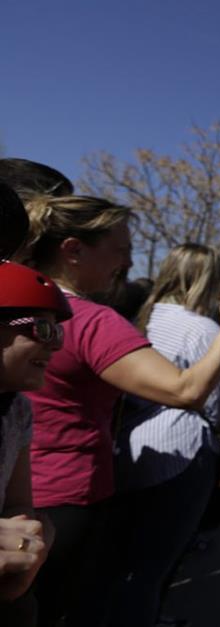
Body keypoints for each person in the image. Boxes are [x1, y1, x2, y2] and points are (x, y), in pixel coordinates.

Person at [16, 194, 220, 627]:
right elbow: (187, 390)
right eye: (120, 249)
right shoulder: (90, 321)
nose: (126, 263)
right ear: (73, 250)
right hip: (70, 498)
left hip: (17, 491)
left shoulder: (16, 310)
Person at [110, 244, 220, 627]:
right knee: (152, 566)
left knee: (119, 564)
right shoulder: (202, 329)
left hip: (127, 448)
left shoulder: (142, 317)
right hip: (181, 453)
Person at [0, 261, 69, 624]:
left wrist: (30, 543)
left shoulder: (17, 410)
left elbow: (17, 504)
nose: (54, 345)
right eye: (41, 329)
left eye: (57, 333)